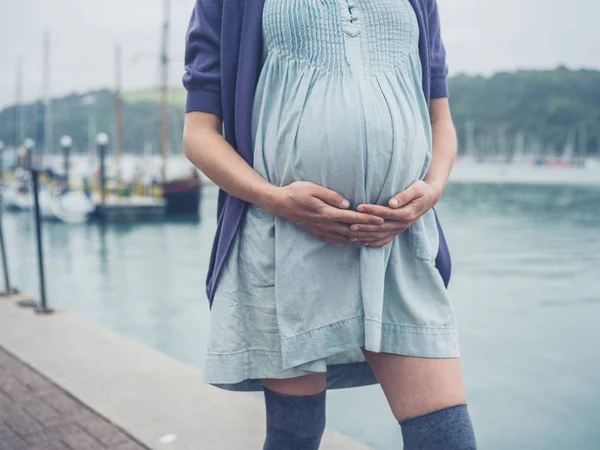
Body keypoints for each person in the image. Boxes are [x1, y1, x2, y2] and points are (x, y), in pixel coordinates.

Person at [182, 1, 477, 449]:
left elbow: (440, 117)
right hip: (285, 240)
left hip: (397, 245)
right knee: (294, 436)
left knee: (446, 439)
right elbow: (199, 133)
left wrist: (431, 189)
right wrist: (276, 199)